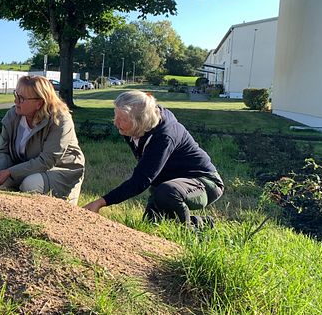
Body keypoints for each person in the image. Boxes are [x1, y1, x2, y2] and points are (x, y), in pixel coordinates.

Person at [82, 90, 224, 228]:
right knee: (151, 224)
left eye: (122, 119)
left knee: (167, 192)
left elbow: (141, 180)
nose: (116, 122)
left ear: (141, 121)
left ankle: (189, 230)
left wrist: (100, 202)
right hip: (167, 184)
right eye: (115, 116)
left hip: (204, 183)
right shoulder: (130, 129)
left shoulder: (164, 136)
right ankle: (202, 222)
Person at [0, 75, 85, 204]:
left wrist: (10, 172)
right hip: (24, 169)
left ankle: (54, 210)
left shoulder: (60, 119)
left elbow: (47, 161)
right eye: (16, 95)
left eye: (21, 98)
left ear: (39, 103)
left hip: (61, 170)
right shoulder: (12, 115)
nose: (16, 101)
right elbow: (3, 151)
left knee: (31, 184)